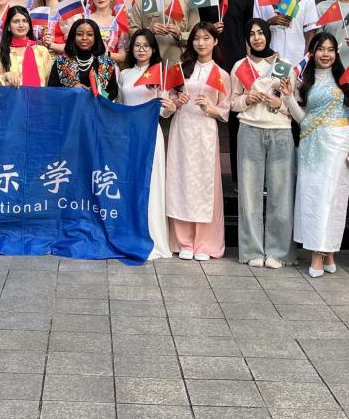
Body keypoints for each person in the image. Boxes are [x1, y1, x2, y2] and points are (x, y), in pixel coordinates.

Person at [284, 33, 349, 277]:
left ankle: (320, 253)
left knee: (333, 199)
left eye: (330, 49)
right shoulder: (304, 81)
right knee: (312, 198)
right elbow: (302, 119)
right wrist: (288, 96)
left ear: (336, 53)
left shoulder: (347, 78)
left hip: (339, 144)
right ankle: (325, 251)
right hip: (310, 144)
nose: (326, 54)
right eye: (321, 49)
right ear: (312, 52)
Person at [231, 18, 296, 269]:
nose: (257, 38)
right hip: (249, 129)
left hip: (280, 131)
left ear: (268, 35)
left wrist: (280, 104)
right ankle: (252, 251)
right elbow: (232, 103)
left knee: (281, 193)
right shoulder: (241, 66)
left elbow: (294, 103)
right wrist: (247, 100)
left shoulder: (284, 65)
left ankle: (278, 252)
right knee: (249, 193)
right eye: (251, 34)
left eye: (260, 33)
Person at [165, 23, 231, 260]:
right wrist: (177, 102)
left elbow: (225, 109)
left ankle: (205, 243)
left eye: (206, 38)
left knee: (204, 184)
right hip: (182, 129)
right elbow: (167, 100)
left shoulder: (222, 74)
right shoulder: (180, 69)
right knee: (180, 181)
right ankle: (184, 241)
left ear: (215, 41)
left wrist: (209, 107)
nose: (201, 43)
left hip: (205, 131)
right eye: (196, 38)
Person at [116, 28, 174, 261]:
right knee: (128, 184)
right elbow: (120, 105)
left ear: (153, 49)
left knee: (151, 184)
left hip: (150, 133)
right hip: (128, 135)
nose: (141, 50)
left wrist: (169, 105)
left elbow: (166, 111)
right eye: (137, 45)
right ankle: (129, 235)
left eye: (146, 46)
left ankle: (153, 238)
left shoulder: (160, 74)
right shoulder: (124, 74)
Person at [48, 19, 118, 100]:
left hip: (99, 106)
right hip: (69, 106)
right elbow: (51, 92)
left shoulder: (107, 63)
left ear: (96, 37)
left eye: (90, 34)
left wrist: (98, 93)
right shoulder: (61, 63)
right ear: (73, 36)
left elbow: (114, 91)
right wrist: (72, 90)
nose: (84, 38)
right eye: (79, 34)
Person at [0, 5, 54, 87]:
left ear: (29, 26)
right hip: (13, 95)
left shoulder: (42, 51)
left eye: (25, 21)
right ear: (8, 27)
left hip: (41, 95)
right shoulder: (0, 54)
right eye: (16, 21)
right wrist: (5, 77)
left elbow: (52, 83)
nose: (21, 25)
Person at [85, 0, 127, 64]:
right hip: (86, 67)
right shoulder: (85, 19)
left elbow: (123, 57)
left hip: (110, 69)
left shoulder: (118, 21)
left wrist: (105, 53)